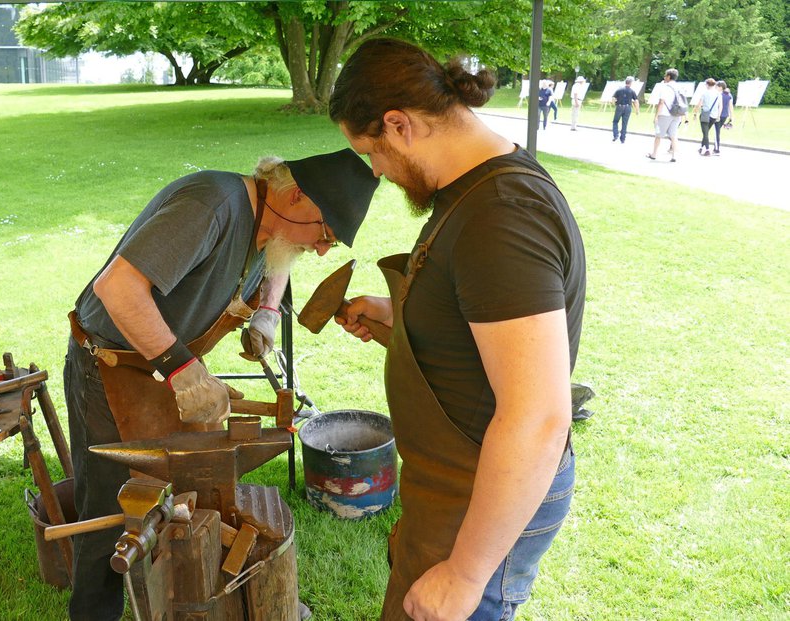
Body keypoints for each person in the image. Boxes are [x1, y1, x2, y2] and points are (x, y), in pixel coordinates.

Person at [329, 38, 585, 621]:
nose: (376, 171)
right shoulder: (470, 191)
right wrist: (407, 317)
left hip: (484, 492)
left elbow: (538, 416)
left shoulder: (501, 215)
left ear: (399, 125)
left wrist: (467, 576)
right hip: (456, 483)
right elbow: (485, 318)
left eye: (372, 151)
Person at [64, 150, 378, 621]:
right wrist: (184, 371)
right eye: (325, 233)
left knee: (180, 502)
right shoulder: (212, 205)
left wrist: (268, 311)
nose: (321, 250)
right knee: (109, 516)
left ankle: (174, 602)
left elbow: (281, 257)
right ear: (295, 196)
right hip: (109, 370)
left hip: (160, 372)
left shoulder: (272, 220)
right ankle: (94, 614)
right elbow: (119, 288)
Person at [647, 68, 683, 162]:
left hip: (665, 113)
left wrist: (656, 116)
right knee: (673, 135)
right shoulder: (679, 87)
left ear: (668, 76)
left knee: (658, 135)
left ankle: (654, 154)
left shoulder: (665, 87)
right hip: (677, 114)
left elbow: (661, 102)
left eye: (665, 75)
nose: (664, 77)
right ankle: (674, 155)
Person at [693, 78, 721, 156]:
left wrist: (695, 113)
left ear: (708, 85)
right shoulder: (718, 94)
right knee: (706, 132)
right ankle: (701, 147)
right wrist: (718, 115)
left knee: (705, 133)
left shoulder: (705, 93)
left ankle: (707, 150)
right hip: (714, 115)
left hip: (705, 115)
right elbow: (720, 105)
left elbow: (699, 104)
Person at [611, 76, 640, 144]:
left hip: (619, 107)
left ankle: (616, 135)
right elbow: (636, 101)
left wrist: (614, 104)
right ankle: (623, 139)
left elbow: (613, 98)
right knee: (625, 123)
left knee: (615, 121)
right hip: (628, 108)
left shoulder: (619, 90)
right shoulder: (632, 91)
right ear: (631, 83)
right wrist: (637, 110)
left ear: (625, 82)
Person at [713, 80, 734, 155]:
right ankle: (716, 147)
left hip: (717, 115)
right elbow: (731, 107)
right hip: (725, 115)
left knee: (716, 132)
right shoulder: (729, 95)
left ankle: (716, 148)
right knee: (717, 131)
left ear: (720, 87)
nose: (715, 87)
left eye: (717, 86)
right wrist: (731, 117)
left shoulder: (718, 94)